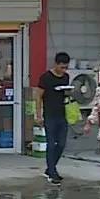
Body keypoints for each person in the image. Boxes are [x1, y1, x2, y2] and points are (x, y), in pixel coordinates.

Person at [35, 52, 72, 185]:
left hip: (62, 114)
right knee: (51, 144)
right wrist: (38, 115)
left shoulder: (66, 77)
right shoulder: (46, 77)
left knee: (61, 143)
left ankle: (50, 168)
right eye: (61, 67)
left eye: (66, 68)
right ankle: (52, 172)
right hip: (49, 114)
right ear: (56, 64)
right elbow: (38, 96)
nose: (63, 70)